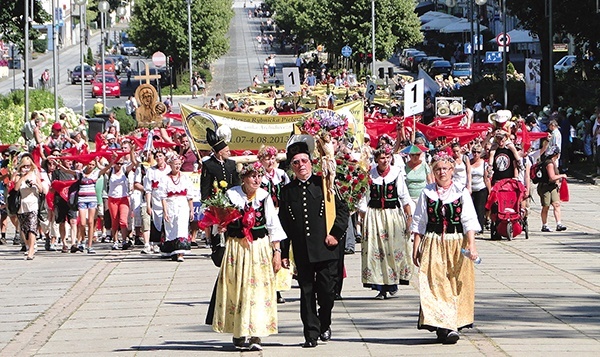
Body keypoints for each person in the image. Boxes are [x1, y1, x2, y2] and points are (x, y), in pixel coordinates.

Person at [278, 135, 349, 348]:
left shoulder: (324, 183)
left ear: (311, 162)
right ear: (292, 167)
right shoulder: (287, 191)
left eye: (304, 161)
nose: (301, 166)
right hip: (303, 251)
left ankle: (324, 321)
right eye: (296, 162)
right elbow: (284, 225)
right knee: (306, 292)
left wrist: (335, 234)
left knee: (327, 292)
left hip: (327, 248)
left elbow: (343, 210)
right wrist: (283, 253)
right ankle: (311, 333)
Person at [212, 161, 286, 351]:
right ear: (243, 178)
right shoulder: (231, 195)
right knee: (237, 288)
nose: (257, 179)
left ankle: (256, 334)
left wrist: (277, 252)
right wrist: (220, 226)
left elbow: (273, 226)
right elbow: (220, 222)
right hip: (237, 248)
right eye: (253, 176)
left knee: (258, 290)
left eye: (259, 176)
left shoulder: (264, 197)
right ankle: (238, 331)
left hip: (258, 247)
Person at [410, 151, 481, 344]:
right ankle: (444, 326)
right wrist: (416, 248)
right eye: (438, 169)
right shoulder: (427, 193)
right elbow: (419, 222)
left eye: (445, 169)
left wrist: (472, 247)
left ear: (452, 170)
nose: (442, 172)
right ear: (433, 172)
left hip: (456, 242)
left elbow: (469, 221)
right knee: (435, 284)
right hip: (433, 242)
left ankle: (451, 324)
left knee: (455, 283)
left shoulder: (461, 192)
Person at [359, 144, 413, 300]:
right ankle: (380, 286)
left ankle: (392, 283)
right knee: (376, 249)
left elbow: (404, 196)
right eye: (382, 158)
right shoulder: (370, 174)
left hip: (392, 215)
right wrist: (363, 215)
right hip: (374, 215)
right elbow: (364, 196)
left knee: (393, 248)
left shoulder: (396, 173)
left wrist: (409, 217)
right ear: (376, 159)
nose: (385, 160)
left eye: (388, 157)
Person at [258, 145, 290, 304]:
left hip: (280, 214)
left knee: (281, 249)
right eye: (267, 159)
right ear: (261, 160)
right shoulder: (258, 176)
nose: (270, 162)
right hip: (265, 217)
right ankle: (266, 286)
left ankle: (278, 289)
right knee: (268, 250)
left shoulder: (281, 175)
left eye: (272, 158)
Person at [98, 151, 136, 250]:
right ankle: (115, 241)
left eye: (121, 163)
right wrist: (97, 158)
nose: (119, 165)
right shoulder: (110, 171)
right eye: (117, 163)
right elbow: (100, 168)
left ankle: (124, 240)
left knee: (123, 221)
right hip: (112, 199)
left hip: (123, 198)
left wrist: (132, 151)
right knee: (114, 221)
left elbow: (134, 163)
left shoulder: (125, 170)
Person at [159, 155, 193, 262]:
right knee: (171, 227)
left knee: (181, 227)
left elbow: (190, 195)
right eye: (175, 164)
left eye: (179, 164)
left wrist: (191, 210)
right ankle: (173, 250)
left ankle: (180, 253)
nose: (177, 166)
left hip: (182, 204)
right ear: (170, 165)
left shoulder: (185, 177)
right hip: (170, 205)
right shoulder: (165, 178)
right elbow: (163, 197)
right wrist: (165, 212)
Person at [12, 154, 42, 260]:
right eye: (24, 166)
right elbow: (15, 188)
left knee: (32, 228)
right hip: (22, 205)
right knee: (24, 229)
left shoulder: (35, 176)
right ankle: (29, 246)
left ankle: (31, 251)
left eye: (28, 166)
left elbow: (42, 190)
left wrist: (36, 184)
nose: (26, 168)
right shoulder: (18, 176)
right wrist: (22, 177)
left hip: (33, 204)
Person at [144, 149, 171, 251]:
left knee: (168, 220)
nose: (159, 158)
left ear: (164, 157)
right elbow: (148, 189)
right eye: (157, 156)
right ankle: (156, 242)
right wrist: (148, 205)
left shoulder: (169, 169)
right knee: (156, 221)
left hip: (168, 200)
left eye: (161, 156)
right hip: (156, 200)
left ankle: (168, 241)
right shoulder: (151, 171)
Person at [537, 147, 568, 232]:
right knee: (546, 206)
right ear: (556, 154)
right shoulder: (549, 163)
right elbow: (552, 177)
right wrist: (562, 176)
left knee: (556, 204)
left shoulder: (553, 162)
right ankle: (544, 225)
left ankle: (559, 224)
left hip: (553, 187)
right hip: (545, 187)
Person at [469, 144, 491, 234]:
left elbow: (486, 179)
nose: (475, 154)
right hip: (471, 188)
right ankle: (472, 227)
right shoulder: (469, 162)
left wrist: (490, 191)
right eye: (474, 152)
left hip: (481, 188)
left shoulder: (483, 164)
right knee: (471, 209)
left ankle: (479, 227)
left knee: (480, 208)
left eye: (478, 152)